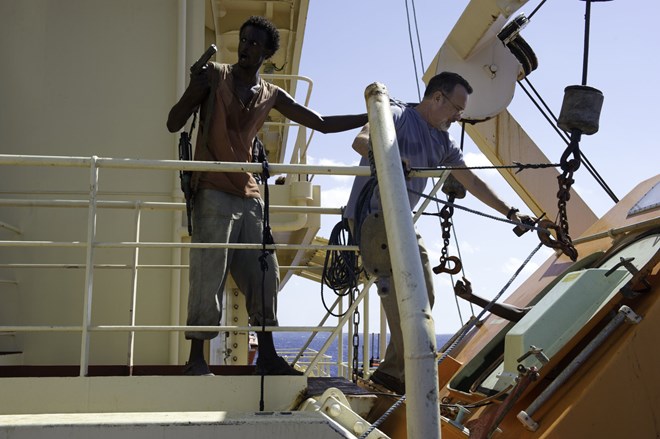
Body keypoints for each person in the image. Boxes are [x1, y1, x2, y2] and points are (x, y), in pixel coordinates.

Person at [167, 16, 367, 376]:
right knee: (207, 273)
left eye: (255, 44)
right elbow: (173, 121)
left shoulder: (270, 94)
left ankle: (269, 356)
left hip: (250, 195)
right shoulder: (214, 75)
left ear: (268, 54)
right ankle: (196, 358)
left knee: (266, 273)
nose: (246, 48)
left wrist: (373, 116)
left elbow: (319, 122)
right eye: (244, 41)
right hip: (212, 190)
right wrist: (195, 88)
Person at [344, 72, 531, 393]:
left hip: (399, 221)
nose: (459, 117)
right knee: (403, 295)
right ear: (437, 98)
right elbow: (360, 140)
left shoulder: (442, 142)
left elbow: (472, 181)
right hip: (371, 217)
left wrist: (511, 212)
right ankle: (408, 373)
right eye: (457, 108)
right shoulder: (397, 113)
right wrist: (387, 157)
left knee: (424, 294)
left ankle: (392, 373)